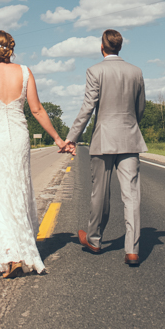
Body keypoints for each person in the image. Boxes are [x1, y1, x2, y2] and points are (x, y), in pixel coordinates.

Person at [0, 30, 68, 279]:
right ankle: (21, 251)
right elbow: (36, 109)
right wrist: (58, 139)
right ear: (11, 49)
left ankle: (11, 255)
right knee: (19, 191)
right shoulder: (24, 72)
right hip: (17, 137)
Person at [63, 29, 147, 267]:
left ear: (102, 47)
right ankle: (132, 250)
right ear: (120, 47)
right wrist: (131, 126)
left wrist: (72, 137)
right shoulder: (136, 72)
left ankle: (95, 240)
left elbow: (88, 107)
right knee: (131, 195)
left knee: (100, 192)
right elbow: (140, 107)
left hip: (103, 139)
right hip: (130, 138)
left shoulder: (95, 71)